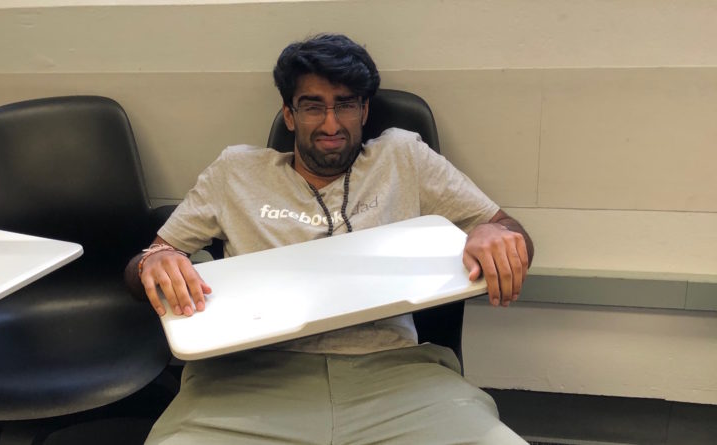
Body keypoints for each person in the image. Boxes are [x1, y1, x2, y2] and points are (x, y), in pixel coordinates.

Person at [126, 33, 533, 444]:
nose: (331, 124)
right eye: (312, 106)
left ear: (364, 110)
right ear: (289, 114)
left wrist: (496, 232)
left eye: (345, 105)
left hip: (396, 375)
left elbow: (508, 228)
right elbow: (148, 261)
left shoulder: (403, 158)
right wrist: (153, 262)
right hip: (246, 380)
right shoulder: (236, 173)